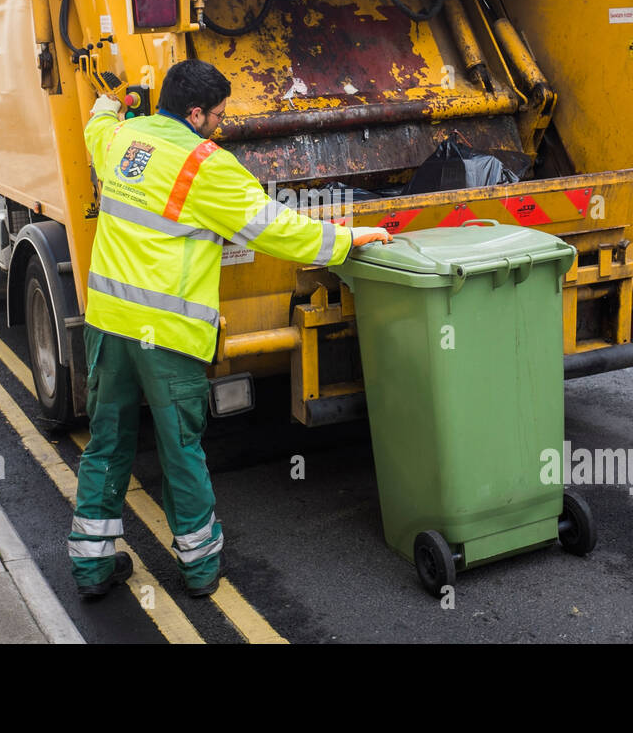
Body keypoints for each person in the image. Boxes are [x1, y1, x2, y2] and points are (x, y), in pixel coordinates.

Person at [69, 59, 391, 599]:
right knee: (180, 451)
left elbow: (95, 127)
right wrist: (345, 241)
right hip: (167, 339)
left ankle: (91, 567)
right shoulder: (205, 166)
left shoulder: (124, 141)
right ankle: (197, 569)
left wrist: (115, 98)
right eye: (217, 115)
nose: (221, 124)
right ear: (194, 114)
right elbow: (274, 228)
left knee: (106, 444)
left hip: (106, 326)